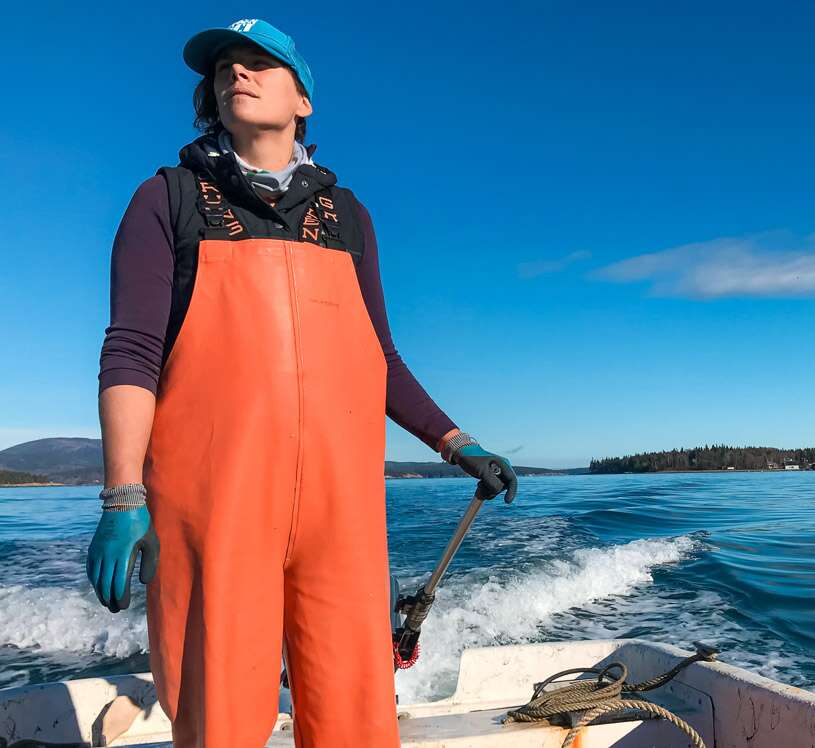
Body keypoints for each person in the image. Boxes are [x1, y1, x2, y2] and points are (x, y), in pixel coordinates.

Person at [86, 18, 518, 746]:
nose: (237, 74)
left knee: (356, 717)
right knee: (218, 719)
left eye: (259, 63)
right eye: (226, 67)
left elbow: (379, 355)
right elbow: (132, 350)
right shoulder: (167, 200)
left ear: (304, 100)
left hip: (340, 510)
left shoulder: (347, 216)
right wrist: (123, 493)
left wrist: (456, 441)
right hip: (211, 505)